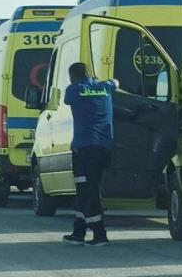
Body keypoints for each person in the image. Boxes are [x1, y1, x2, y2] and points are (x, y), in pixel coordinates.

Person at [61, 62, 118, 247]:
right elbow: (116, 82)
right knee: (84, 190)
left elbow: (67, 101)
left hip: (84, 149)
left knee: (87, 191)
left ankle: (100, 234)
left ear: (72, 76)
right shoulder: (106, 87)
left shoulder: (73, 90)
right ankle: (78, 232)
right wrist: (97, 81)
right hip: (104, 148)